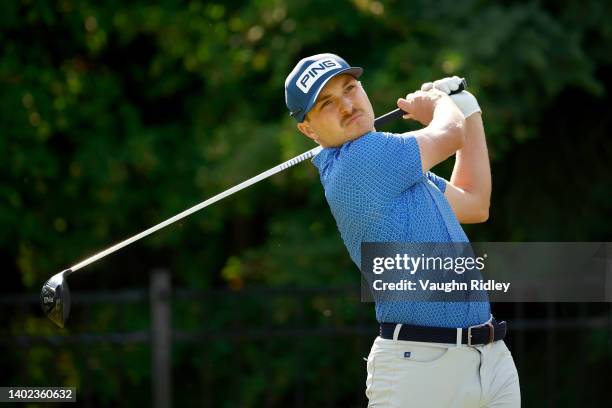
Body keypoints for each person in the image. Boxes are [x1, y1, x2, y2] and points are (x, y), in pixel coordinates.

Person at [285, 53, 520, 407]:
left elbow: (474, 203)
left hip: (489, 358)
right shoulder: (363, 159)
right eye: (327, 104)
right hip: (421, 369)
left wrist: (468, 109)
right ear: (308, 129)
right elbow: (450, 133)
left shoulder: (395, 167)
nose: (347, 106)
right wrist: (441, 104)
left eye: (350, 89)